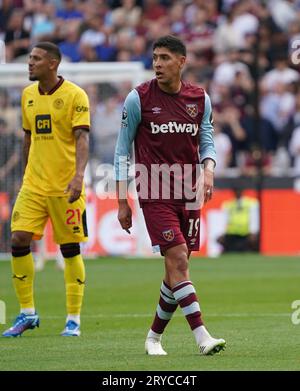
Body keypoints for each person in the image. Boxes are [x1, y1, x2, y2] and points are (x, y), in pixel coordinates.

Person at [114, 35, 226, 356]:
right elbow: (122, 152)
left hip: (190, 191)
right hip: (154, 189)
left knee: (175, 271)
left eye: (164, 58)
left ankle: (153, 337)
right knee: (178, 259)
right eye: (155, 58)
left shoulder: (199, 98)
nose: (158, 64)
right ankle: (202, 336)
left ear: (181, 62)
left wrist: (208, 170)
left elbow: (207, 139)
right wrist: (122, 201)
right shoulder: (138, 99)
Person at [2, 42, 90, 337]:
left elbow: (82, 139)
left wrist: (79, 177)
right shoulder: (27, 96)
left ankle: (73, 319)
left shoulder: (75, 95)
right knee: (18, 238)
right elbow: (28, 140)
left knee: (69, 249)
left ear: (52, 63)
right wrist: (26, 176)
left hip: (65, 187)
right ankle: (27, 313)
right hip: (34, 185)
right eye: (29, 58)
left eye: (36, 59)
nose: (30, 63)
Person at [217, 186, 259, 253]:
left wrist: (253, 232)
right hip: (232, 234)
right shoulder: (228, 204)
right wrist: (222, 233)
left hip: (246, 234)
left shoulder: (251, 203)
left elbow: (254, 218)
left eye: (239, 191)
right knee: (230, 252)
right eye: (236, 191)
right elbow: (224, 220)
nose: (238, 193)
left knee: (247, 251)